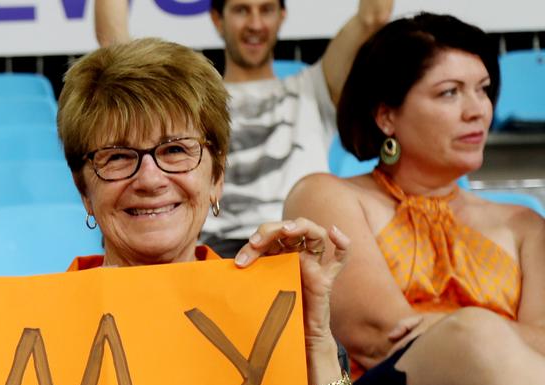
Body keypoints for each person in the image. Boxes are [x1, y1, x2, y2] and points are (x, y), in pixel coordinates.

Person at [58, 39, 401, 385]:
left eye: (175, 151)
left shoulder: (277, 318)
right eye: (118, 157)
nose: (149, 179)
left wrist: (310, 337)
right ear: (85, 191)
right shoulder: (32, 330)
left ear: (216, 177)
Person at [284, 13, 545, 385]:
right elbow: (378, 334)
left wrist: (453, 332)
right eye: (450, 93)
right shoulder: (327, 195)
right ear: (387, 115)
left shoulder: (526, 224)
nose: (478, 111)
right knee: (472, 334)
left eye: (483, 89)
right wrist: (475, 334)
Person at [96, 0, 393, 256]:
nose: (255, 23)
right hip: (213, 262)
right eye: (241, 10)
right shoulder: (188, 101)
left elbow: (374, 16)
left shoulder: (314, 88)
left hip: (298, 253)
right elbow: (114, 44)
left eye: (266, 10)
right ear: (217, 19)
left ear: (282, 17)